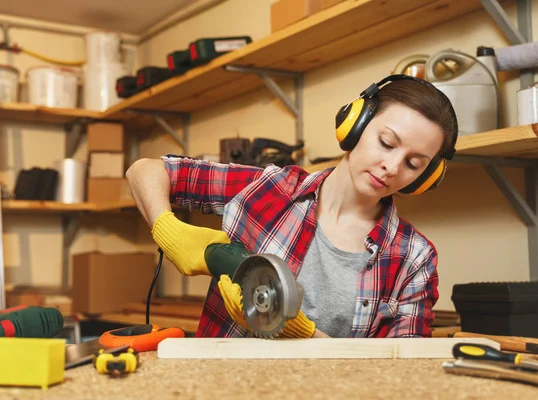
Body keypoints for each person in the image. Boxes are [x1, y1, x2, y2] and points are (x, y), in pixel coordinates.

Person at [125, 74, 458, 339]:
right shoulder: (269, 189)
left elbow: (395, 376)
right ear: (355, 124)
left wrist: (299, 333)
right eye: (386, 143)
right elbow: (145, 170)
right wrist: (167, 229)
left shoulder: (413, 258)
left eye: (414, 163)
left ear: (425, 178)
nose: (393, 166)